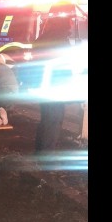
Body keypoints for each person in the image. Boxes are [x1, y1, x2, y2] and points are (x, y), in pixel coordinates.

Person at [32, 11, 75, 152]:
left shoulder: (45, 37)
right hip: (54, 87)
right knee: (53, 121)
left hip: (44, 85)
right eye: (70, 19)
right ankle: (46, 155)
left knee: (47, 120)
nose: (72, 22)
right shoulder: (60, 39)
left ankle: (41, 152)